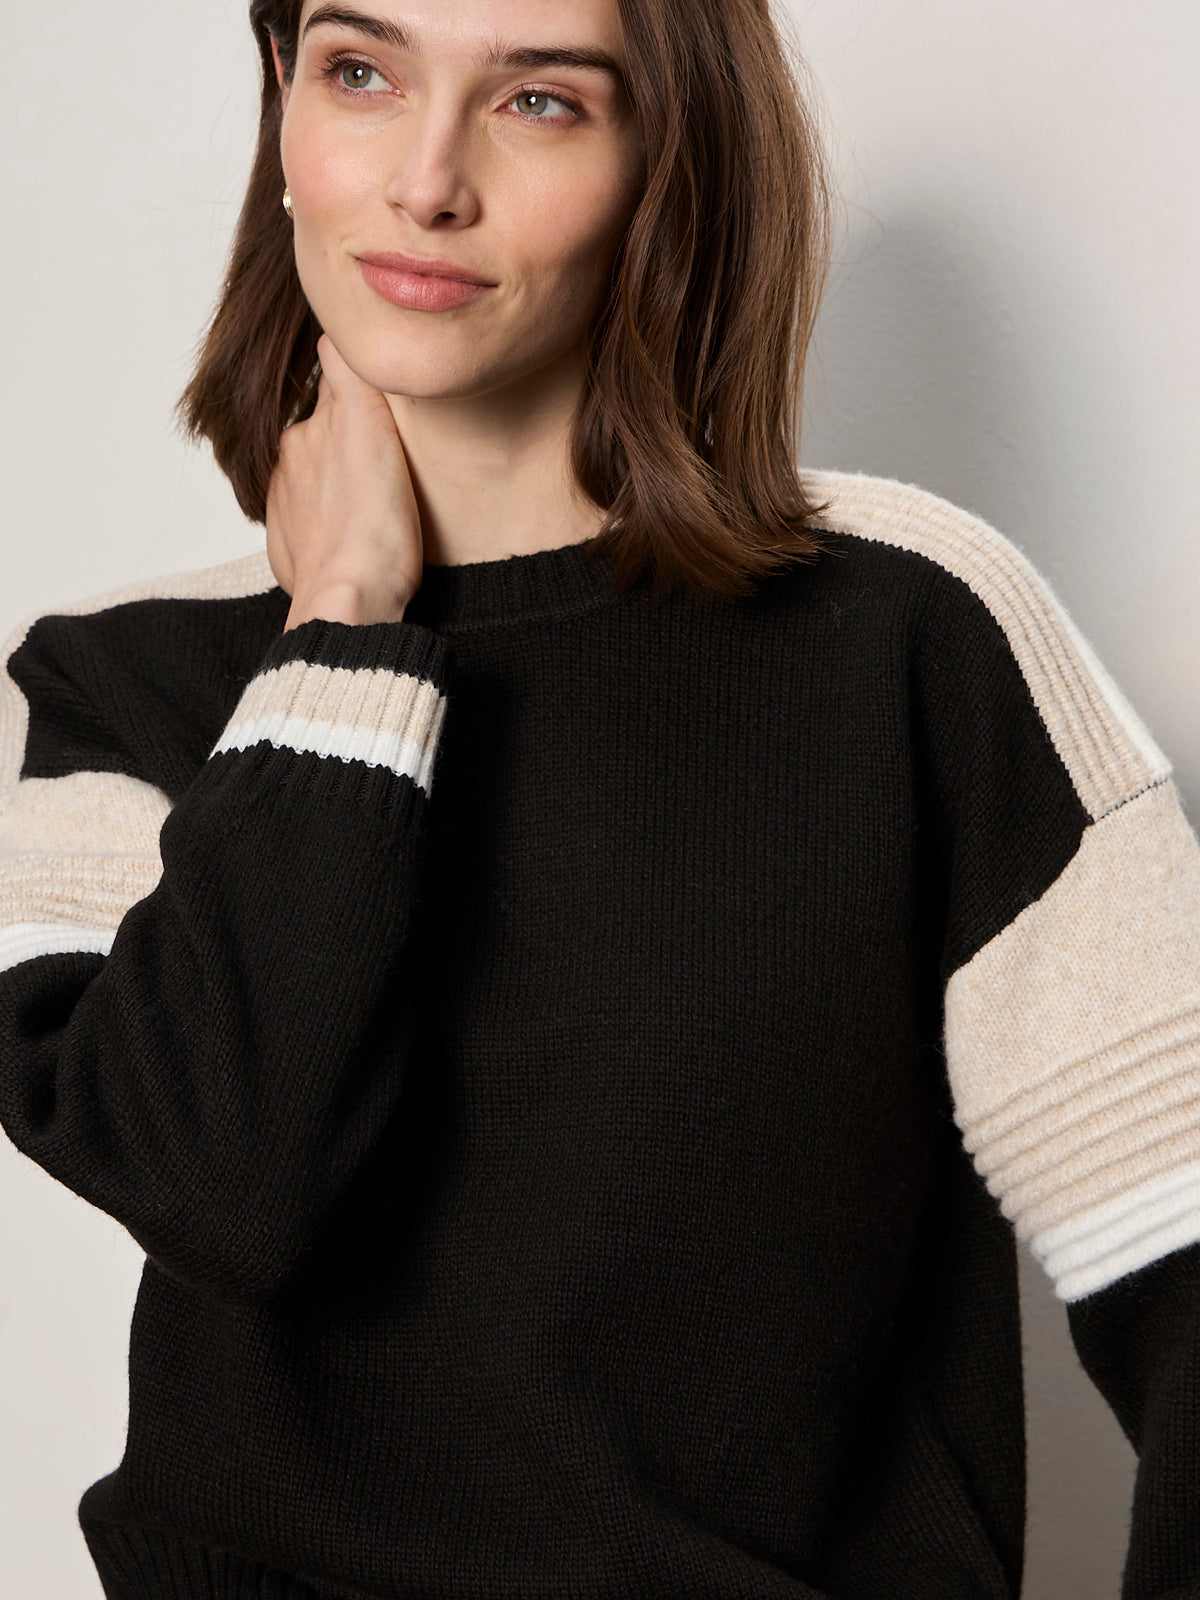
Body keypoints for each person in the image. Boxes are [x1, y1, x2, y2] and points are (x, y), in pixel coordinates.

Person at [1, 0, 1198, 1596]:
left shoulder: (908, 634)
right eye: (361, 72)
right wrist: (346, 632)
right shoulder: (117, 687)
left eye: (541, 103)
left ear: (669, 161)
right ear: (283, 106)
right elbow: (222, 1179)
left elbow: (1185, 1271)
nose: (427, 180)